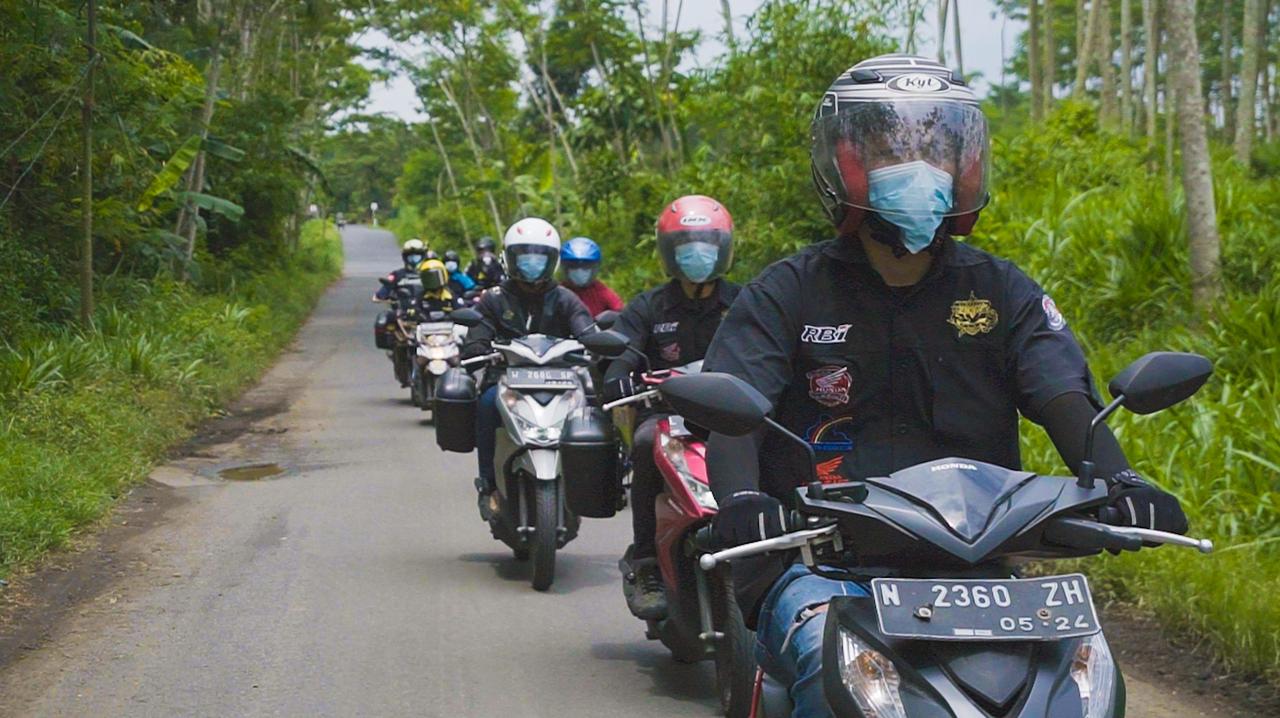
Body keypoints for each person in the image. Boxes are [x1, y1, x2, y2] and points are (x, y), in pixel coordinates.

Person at [700, 55, 1189, 717]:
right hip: (825, 565)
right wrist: (743, 501)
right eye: (890, 145)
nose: (917, 161)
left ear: (967, 162)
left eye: (936, 145)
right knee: (824, 662)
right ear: (845, 160)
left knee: (1076, 683)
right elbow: (737, 409)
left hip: (979, 572)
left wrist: (1125, 485)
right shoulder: (785, 293)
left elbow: (1060, 394)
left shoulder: (1000, 290)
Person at [600, 195, 741, 620]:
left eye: (706, 245)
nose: (697, 255)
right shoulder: (648, 307)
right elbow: (621, 353)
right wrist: (617, 373)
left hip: (732, 414)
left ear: (724, 249)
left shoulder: (745, 302)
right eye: (685, 246)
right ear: (668, 252)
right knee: (644, 444)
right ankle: (647, 565)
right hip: (666, 415)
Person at [462, 218, 595, 518]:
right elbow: (476, 336)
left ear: (552, 261)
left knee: (593, 406)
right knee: (484, 405)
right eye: (524, 258)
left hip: (560, 381)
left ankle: (591, 483)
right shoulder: (494, 299)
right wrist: (476, 348)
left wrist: (596, 343)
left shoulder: (564, 298)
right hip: (505, 380)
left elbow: (586, 330)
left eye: (539, 258)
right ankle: (489, 486)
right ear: (510, 259)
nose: (532, 265)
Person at [559, 237, 623, 316]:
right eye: (574, 266)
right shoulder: (558, 293)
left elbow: (620, 313)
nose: (579, 271)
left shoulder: (601, 292)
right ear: (565, 267)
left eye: (586, 266)